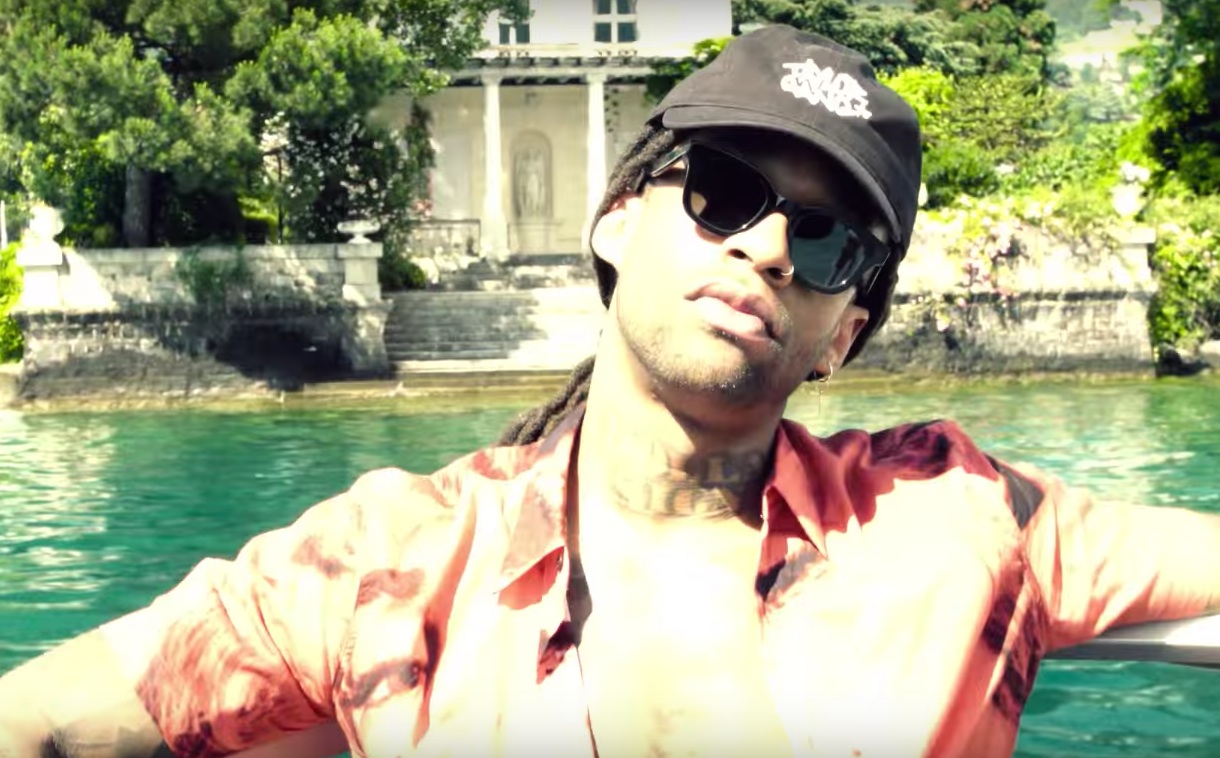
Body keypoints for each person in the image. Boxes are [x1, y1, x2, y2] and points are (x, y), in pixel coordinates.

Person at [1, 24, 1218, 758]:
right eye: (722, 191)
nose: (765, 247)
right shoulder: (387, 557)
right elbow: (41, 720)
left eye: (825, 239)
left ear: (843, 333)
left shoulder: (957, 511)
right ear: (618, 220)